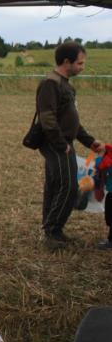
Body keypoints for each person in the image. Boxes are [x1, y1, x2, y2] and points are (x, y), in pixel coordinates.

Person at [36, 41, 105, 245]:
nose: (82, 67)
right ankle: (53, 232)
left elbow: (72, 121)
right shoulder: (50, 83)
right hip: (56, 144)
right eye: (80, 63)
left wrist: (90, 142)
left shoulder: (65, 84)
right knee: (67, 187)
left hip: (63, 143)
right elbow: (47, 118)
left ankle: (52, 229)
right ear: (67, 61)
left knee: (56, 186)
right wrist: (61, 145)